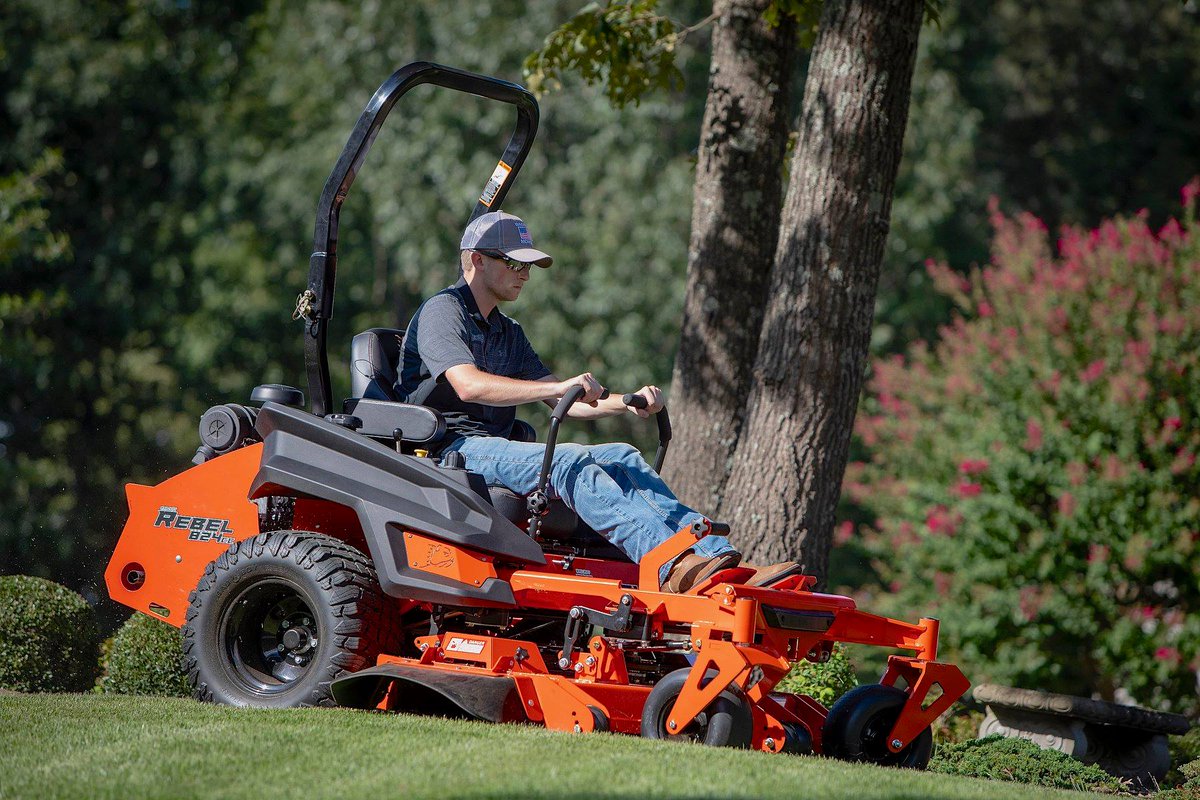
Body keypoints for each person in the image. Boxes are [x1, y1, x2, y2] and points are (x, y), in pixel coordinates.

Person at [397, 210, 801, 593]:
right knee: (567, 461)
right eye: (514, 263)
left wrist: (625, 402)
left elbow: (569, 402)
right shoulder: (443, 311)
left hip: (497, 450)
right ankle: (669, 565)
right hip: (448, 449)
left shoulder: (508, 331)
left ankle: (717, 562)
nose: (524, 275)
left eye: (529, 267)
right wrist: (555, 390)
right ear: (476, 261)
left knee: (622, 455)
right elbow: (468, 385)